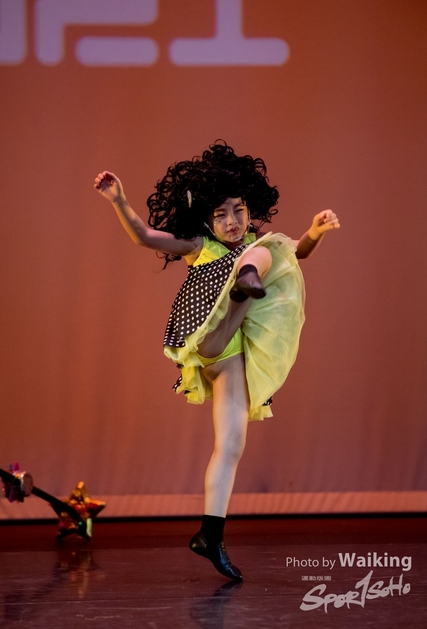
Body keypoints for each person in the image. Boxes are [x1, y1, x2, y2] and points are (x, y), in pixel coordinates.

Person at [94, 141, 340, 582]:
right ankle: (245, 285)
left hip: (232, 355)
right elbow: (145, 236)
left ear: (249, 207)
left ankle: (210, 534)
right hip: (208, 338)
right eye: (221, 214)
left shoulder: (255, 240)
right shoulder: (200, 245)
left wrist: (316, 230)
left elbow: (299, 250)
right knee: (265, 249)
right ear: (207, 219)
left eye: (238, 210)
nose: (232, 221)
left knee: (231, 445)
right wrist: (119, 200)